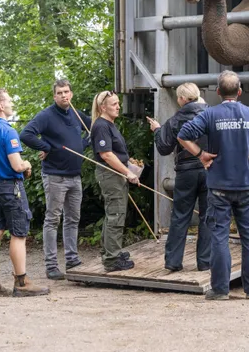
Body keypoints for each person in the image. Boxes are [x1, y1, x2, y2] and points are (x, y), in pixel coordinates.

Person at [177, 71, 249, 300]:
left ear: (218, 92)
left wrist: (201, 154)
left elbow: (183, 135)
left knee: (219, 237)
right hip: (247, 186)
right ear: (239, 92)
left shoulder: (210, 114)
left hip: (219, 186)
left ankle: (220, 290)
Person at [0, 89, 50, 297]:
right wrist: (27, 163)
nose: (12, 104)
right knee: (18, 234)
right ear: (1, 106)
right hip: (11, 188)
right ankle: (21, 282)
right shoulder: (8, 131)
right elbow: (17, 165)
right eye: (9, 101)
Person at [19, 79, 91, 280]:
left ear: (71, 94)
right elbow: (26, 134)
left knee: (73, 219)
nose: (63, 95)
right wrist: (46, 147)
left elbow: (95, 127)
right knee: (52, 220)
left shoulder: (76, 113)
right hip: (55, 175)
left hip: (75, 175)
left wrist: (84, 144)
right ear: (54, 96)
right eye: (59, 93)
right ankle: (51, 265)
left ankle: (72, 259)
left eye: (66, 92)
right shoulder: (46, 115)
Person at [147, 83, 211, 273]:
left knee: (180, 215)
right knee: (208, 216)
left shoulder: (176, 119)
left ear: (182, 99)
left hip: (186, 172)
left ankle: (173, 261)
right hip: (209, 169)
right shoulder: (211, 115)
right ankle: (205, 261)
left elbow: (164, 148)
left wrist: (157, 130)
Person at [90, 91, 139, 272]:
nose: (118, 107)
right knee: (116, 215)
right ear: (103, 107)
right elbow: (106, 155)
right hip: (110, 175)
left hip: (116, 174)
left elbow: (115, 152)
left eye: (118, 103)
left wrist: (129, 164)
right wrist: (128, 172)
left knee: (113, 213)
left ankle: (110, 251)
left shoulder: (109, 124)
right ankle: (111, 259)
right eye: (114, 104)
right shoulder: (101, 126)